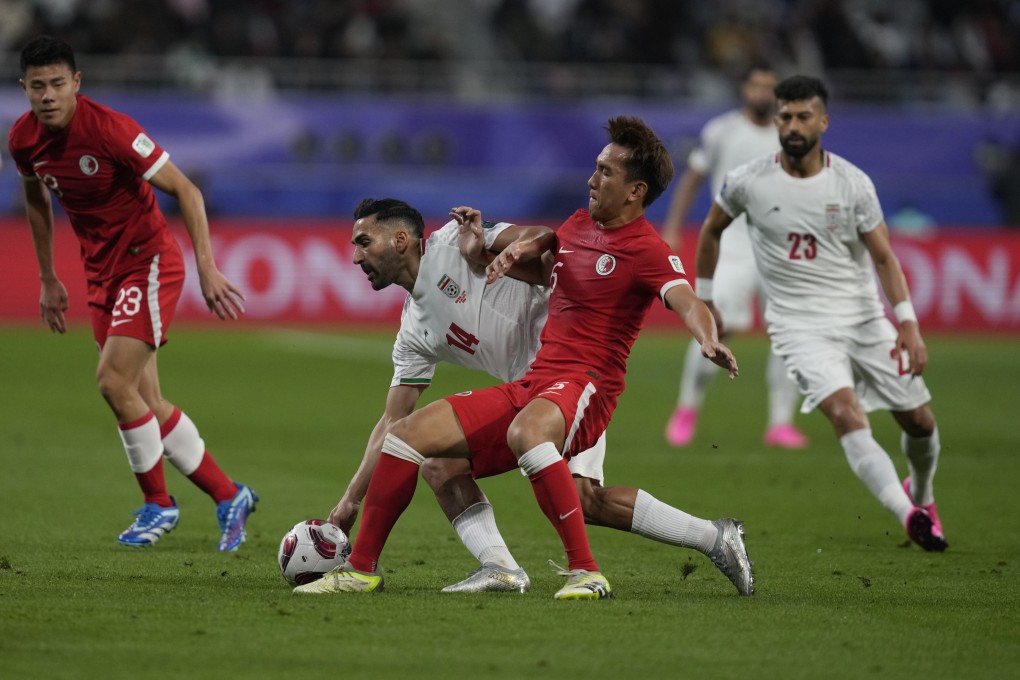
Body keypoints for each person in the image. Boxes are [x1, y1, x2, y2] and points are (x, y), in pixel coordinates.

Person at [295, 116, 746, 599]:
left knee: (583, 498)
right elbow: (390, 420)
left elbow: (669, 291)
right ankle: (489, 568)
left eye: (364, 243)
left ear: (400, 239)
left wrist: (494, 247)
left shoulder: (454, 241)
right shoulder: (414, 332)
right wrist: (348, 502)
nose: (356, 257)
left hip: (573, 387)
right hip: (528, 387)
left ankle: (685, 544)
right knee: (430, 456)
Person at [7, 36, 257, 551]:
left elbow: (187, 189)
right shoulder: (23, 140)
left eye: (58, 83)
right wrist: (48, 276)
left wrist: (206, 268)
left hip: (148, 263)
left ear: (76, 83)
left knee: (111, 381)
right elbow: (35, 198)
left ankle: (158, 505)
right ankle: (229, 494)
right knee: (146, 399)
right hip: (100, 273)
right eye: (38, 86)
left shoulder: (111, 130)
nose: (48, 95)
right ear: (24, 89)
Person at [695, 75, 947, 552]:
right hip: (798, 326)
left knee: (919, 422)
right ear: (776, 120)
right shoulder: (748, 181)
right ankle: (908, 514)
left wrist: (908, 322)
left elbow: (885, 257)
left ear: (823, 121)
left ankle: (923, 493)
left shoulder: (852, 184)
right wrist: (706, 298)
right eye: (785, 116)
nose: (793, 125)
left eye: (803, 116)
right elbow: (710, 230)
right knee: (845, 413)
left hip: (863, 318)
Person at [661, 63, 808, 449]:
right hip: (731, 246)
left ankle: (779, 423)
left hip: (778, 249)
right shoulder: (721, 130)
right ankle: (687, 408)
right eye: (756, 85)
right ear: (745, 89)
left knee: (790, 335)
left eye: (768, 87)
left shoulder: (788, 132)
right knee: (717, 328)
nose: (762, 93)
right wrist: (674, 224)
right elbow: (693, 178)